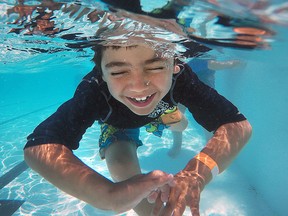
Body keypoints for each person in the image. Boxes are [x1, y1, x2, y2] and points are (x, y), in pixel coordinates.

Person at [23, 12, 252, 216]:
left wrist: (197, 175)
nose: (138, 86)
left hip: (161, 107)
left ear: (175, 64)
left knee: (179, 124)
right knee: (120, 161)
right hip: (117, 121)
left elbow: (237, 126)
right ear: (101, 73)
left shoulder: (181, 77)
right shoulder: (94, 89)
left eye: (155, 67)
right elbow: (39, 147)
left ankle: (167, 121)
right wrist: (108, 196)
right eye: (119, 71)